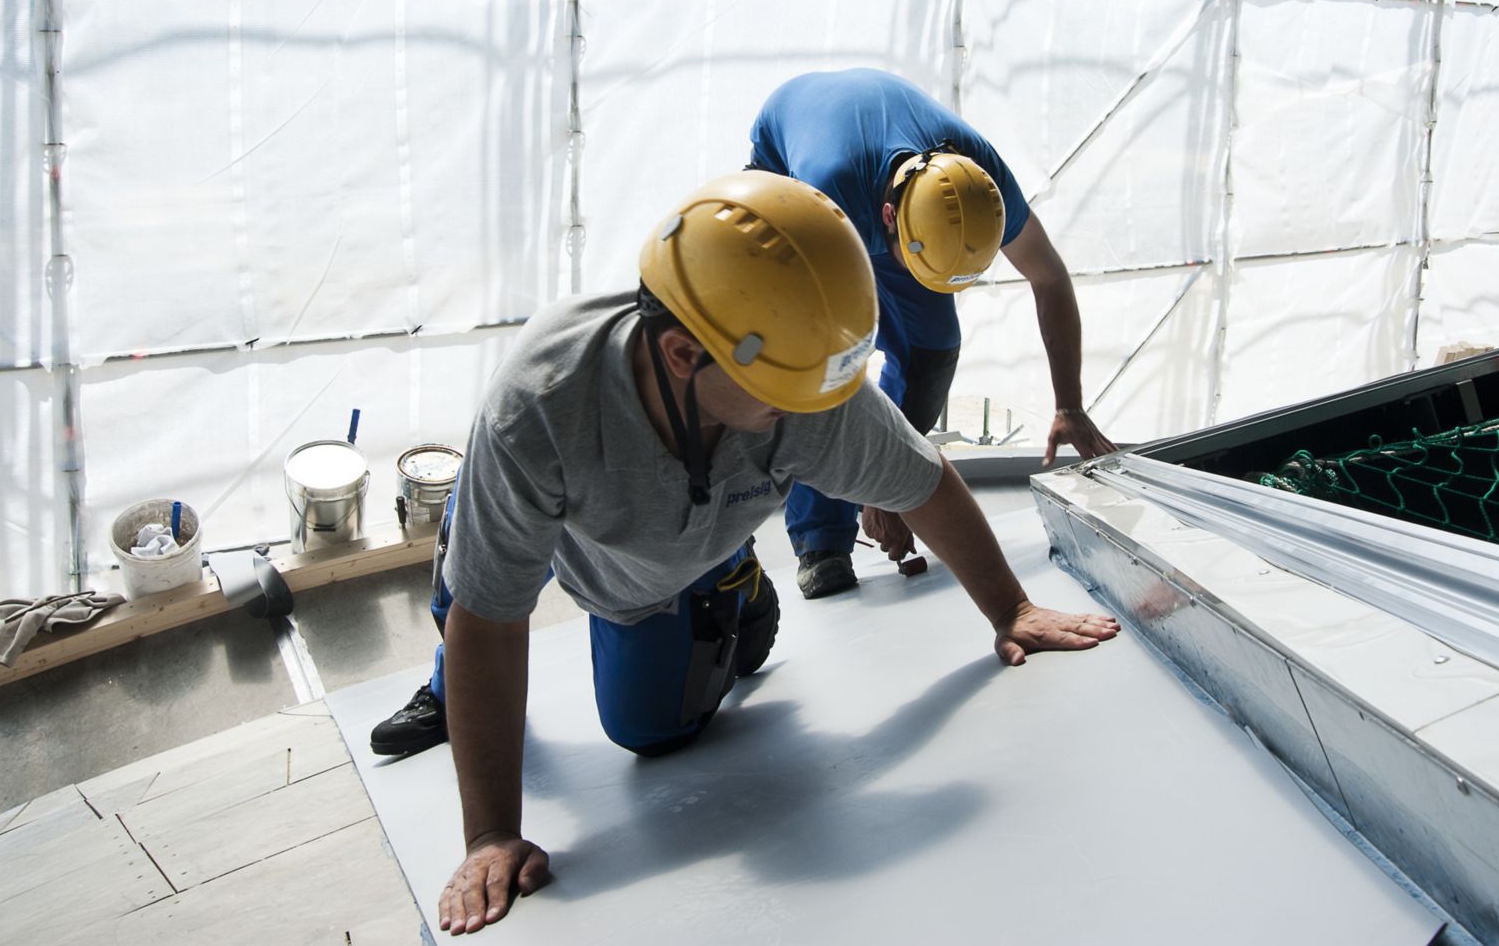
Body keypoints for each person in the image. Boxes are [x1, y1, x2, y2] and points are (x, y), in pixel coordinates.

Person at [380, 172, 1119, 934]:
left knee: (651, 734)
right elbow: (495, 621)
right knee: (472, 592)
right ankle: (455, 648)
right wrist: (491, 833)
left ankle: (726, 575)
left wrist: (1013, 608)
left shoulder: (806, 380)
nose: (809, 415)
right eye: (780, 395)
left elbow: (924, 484)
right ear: (679, 353)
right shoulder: (539, 407)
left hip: (647, 574)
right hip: (550, 507)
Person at [748, 68, 1119, 600]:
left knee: (933, 350)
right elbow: (824, 358)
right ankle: (822, 541)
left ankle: (893, 482)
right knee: (828, 361)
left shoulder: (983, 186)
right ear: (889, 220)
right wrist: (882, 480)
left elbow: (1049, 277)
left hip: (892, 194)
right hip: (790, 162)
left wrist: (1071, 405)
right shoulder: (826, 196)